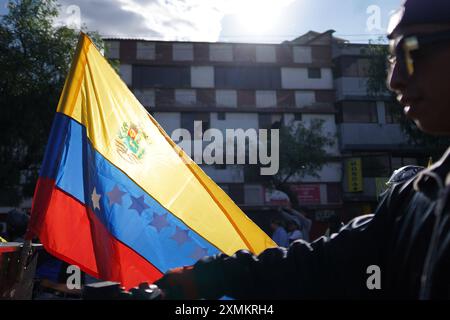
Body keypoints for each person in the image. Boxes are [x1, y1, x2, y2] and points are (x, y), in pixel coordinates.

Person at [155, 0, 450, 299]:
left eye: (412, 52)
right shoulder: (416, 200)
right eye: (391, 58)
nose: (395, 79)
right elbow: (319, 263)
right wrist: (206, 278)